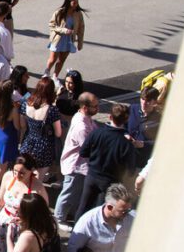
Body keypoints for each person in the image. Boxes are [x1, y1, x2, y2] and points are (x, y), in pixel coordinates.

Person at [74, 103, 137, 222]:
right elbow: (131, 169)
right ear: (126, 120)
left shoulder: (96, 133)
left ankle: (76, 232)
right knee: (100, 211)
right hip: (110, 181)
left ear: (110, 117)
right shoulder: (126, 144)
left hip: (92, 176)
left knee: (83, 207)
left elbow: (83, 152)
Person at [55, 92, 99, 227]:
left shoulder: (85, 118)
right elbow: (89, 148)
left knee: (75, 192)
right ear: (85, 107)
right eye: (95, 106)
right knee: (68, 193)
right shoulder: (82, 126)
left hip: (80, 166)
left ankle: (68, 213)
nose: (97, 108)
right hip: (75, 166)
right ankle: (59, 217)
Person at [18, 76, 63, 183]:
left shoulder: (26, 104)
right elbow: (58, 133)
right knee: (38, 178)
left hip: (28, 143)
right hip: (44, 147)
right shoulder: (52, 110)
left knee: (25, 174)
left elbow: (23, 126)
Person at [44, 0, 86, 84]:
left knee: (61, 60)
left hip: (69, 40)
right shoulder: (60, 12)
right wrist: (64, 30)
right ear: (68, 2)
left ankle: (55, 76)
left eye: (77, 2)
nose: (76, 4)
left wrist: (80, 43)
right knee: (53, 59)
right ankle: (46, 72)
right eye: (73, 2)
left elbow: (81, 28)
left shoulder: (78, 14)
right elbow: (52, 25)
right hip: (58, 39)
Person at [127, 86, 162, 165]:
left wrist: (143, 144)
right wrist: (125, 134)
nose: (144, 103)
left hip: (143, 160)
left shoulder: (159, 119)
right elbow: (122, 125)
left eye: (148, 100)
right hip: (127, 156)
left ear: (155, 102)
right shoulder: (132, 109)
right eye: (142, 99)